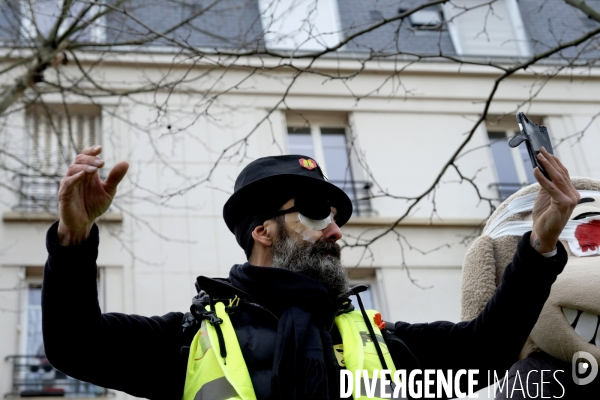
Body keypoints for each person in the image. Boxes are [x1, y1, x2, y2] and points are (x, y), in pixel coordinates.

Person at [42, 146, 579, 400]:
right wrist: (72, 241)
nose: (336, 231)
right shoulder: (191, 342)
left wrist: (540, 244)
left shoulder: (378, 347)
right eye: (318, 214)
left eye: (338, 218)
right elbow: (75, 344)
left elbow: (485, 351)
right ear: (263, 230)